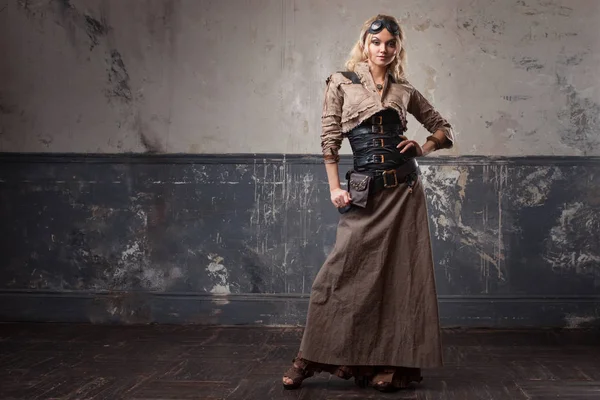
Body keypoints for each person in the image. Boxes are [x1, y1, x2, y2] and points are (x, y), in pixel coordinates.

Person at [282, 14, 455, 392]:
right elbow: (329, 139)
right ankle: (308, 358)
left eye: (391, 43)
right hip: (365, 192)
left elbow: (443, 128)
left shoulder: (404, 88)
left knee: (400, 280)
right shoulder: (341, 82)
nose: (383, 49)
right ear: (365, 44)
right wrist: (333, 189)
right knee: (338, 276)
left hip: (405, 191)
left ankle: (391, 366)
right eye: (376, 42)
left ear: (398, 48)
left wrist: (423, 147)